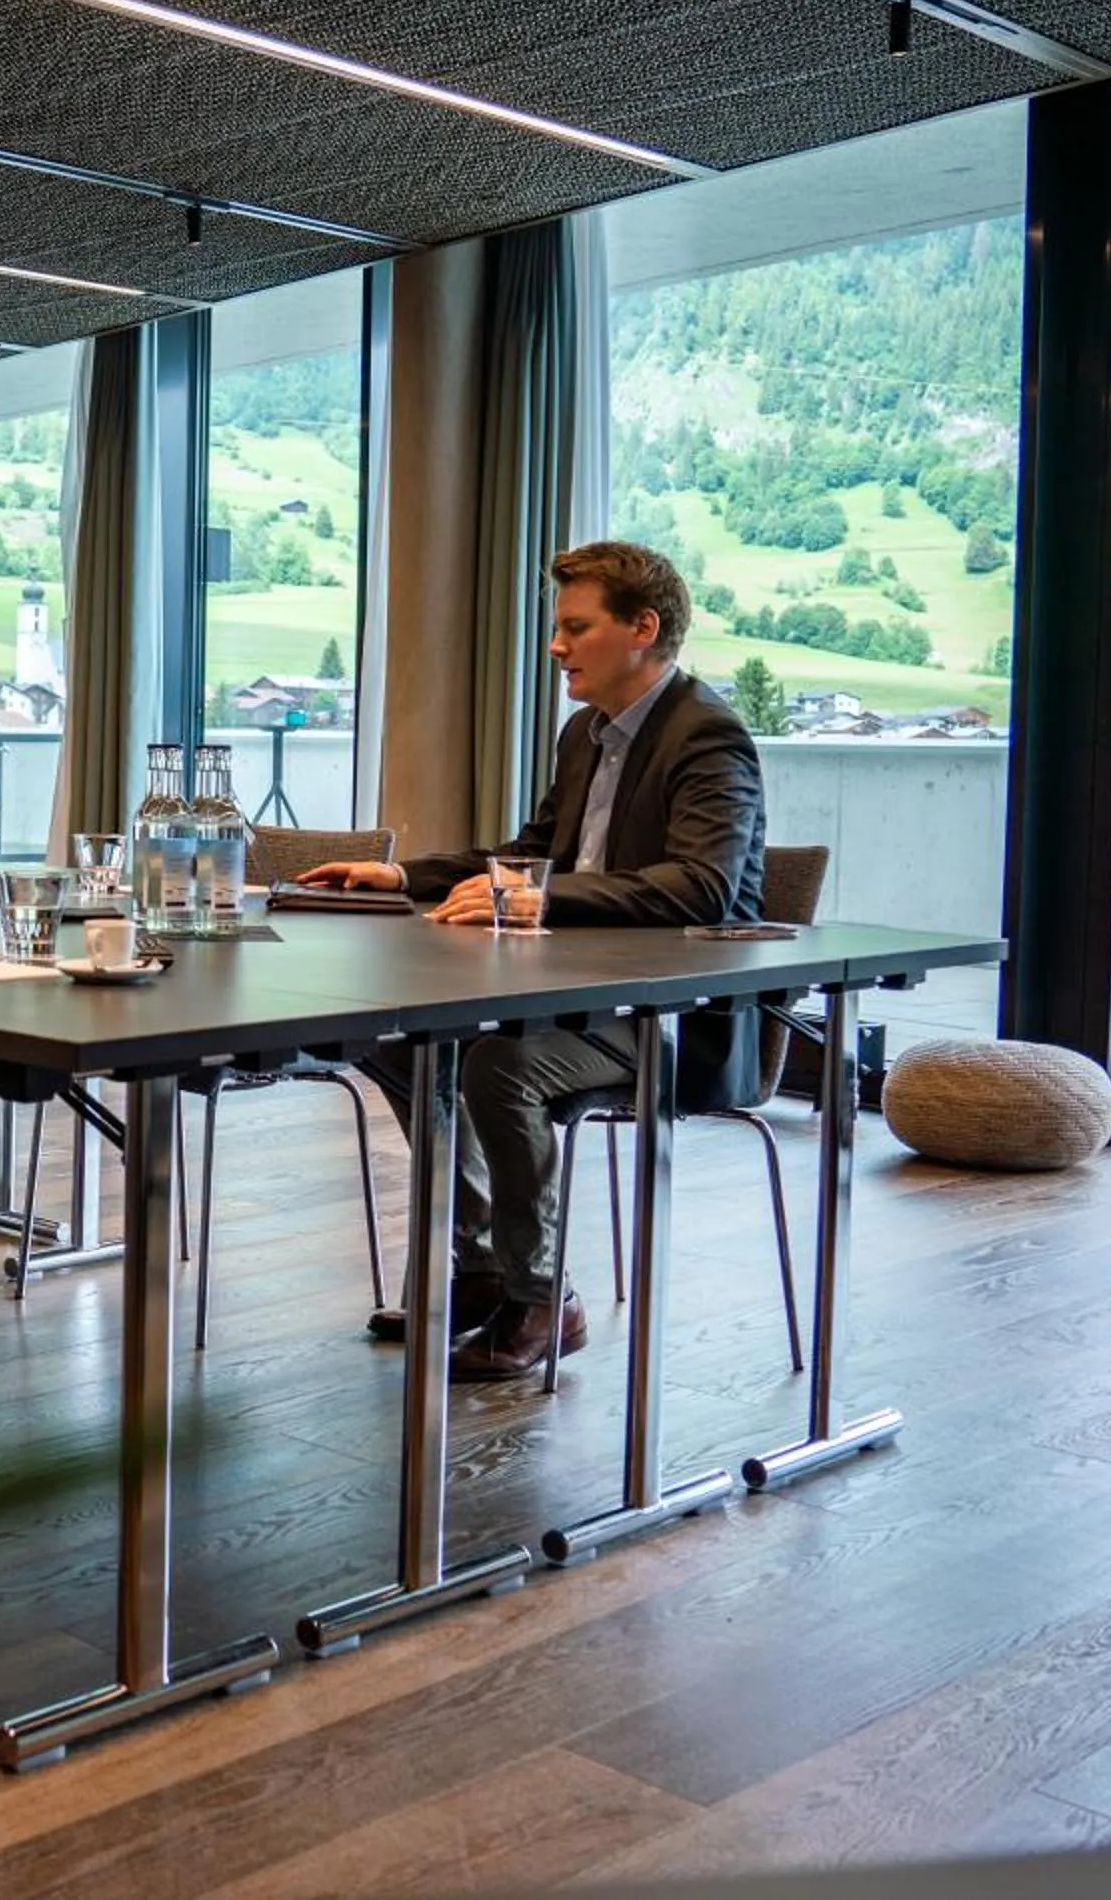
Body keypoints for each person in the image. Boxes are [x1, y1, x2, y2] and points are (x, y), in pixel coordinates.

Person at [299, 540, 766, 1380]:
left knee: (498, 1067)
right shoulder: (586, 733)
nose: (555, 647)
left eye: (574, 628)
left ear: (642, 630)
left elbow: (702, 888)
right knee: (404, 1045)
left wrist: (539, 901)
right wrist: (404, 874)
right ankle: (483, 1276)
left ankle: (547, 1298)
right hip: (576, 997)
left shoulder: (709, 736)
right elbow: (533, 854)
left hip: (671, 1015)